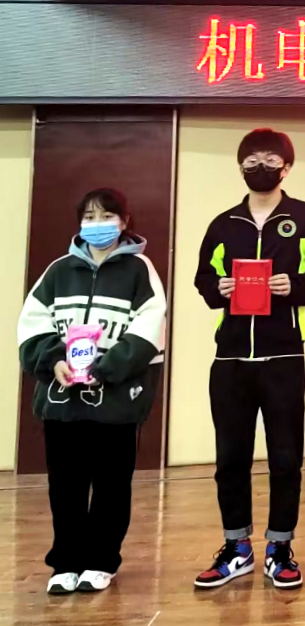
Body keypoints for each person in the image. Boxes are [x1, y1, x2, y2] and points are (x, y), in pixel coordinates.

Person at [193, 129, 305, 590]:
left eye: (271, 159)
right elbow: (203, 278)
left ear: (286, 168)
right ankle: (236, 547)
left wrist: (293, 286)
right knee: (230, 458)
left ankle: (280, 548)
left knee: (285, 458)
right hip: (231, 358)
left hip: (283, 356)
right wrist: (218, 289)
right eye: (252, 159)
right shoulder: (224, 224)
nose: (261, 166)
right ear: (241, 167)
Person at [18, 189, 167, 594]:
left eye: (106, 216)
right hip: (62, 400)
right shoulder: (59, 270)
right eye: (89, 216)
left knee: (111, 485)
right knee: (65, 486)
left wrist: (108, 368)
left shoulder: (140, 270)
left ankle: (101, 561)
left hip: (115, 401)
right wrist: (53, 360)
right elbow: (32, 322)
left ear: (124, 221)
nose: (97, 224)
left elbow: (150, 325)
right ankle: (65, 563)